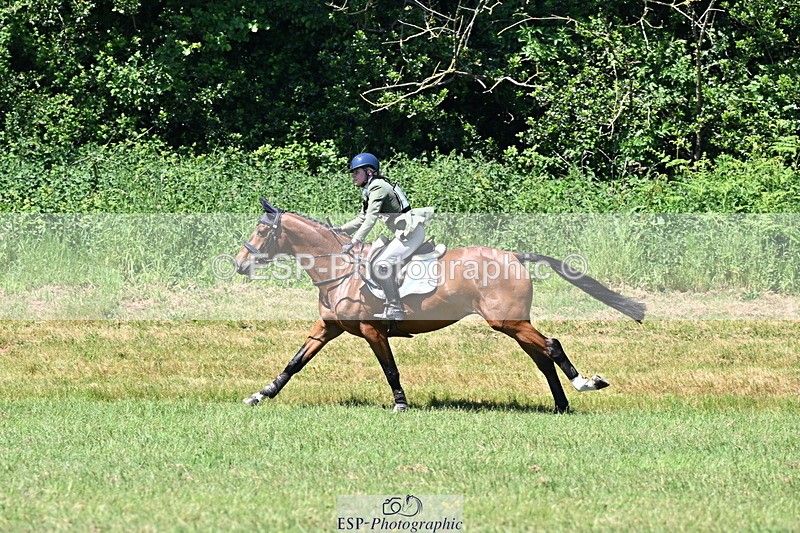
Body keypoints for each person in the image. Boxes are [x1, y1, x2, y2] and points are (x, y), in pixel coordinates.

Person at [338, 153, 433, 321]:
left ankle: (395, 308)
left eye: (356, 172)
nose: (353, 176)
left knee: (381, 264)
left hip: (410, 234)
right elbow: (362, 218)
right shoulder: (371, 188)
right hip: (403, 233)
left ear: (369, 172)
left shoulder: (378, 187)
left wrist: (354, 241)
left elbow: (371, 218)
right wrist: (340, 229)